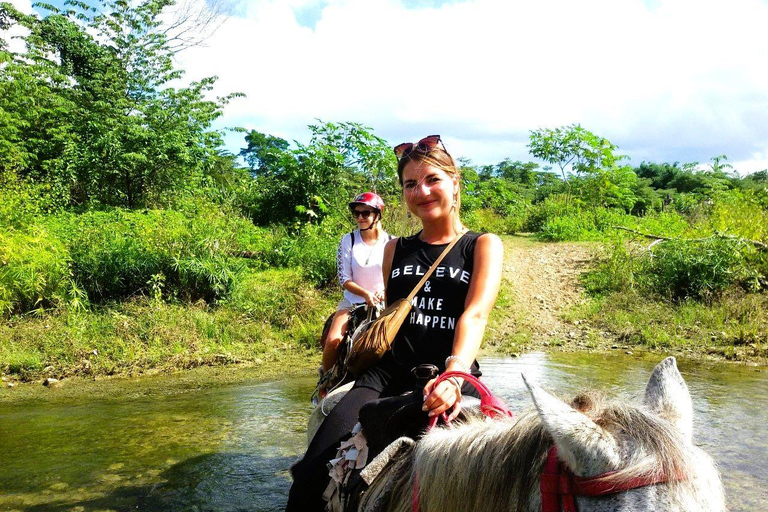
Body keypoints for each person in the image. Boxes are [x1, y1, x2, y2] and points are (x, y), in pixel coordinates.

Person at [285, 136, 503, 511]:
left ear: (454, 182)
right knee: (308, 476)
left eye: (433, 179)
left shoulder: (481, 244)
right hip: (385, 375)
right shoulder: (394, 249)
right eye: (410, 184)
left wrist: (454, 374)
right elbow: (393, 316)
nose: (422, 191)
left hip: (448, 373)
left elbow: (475, 314)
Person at [320, 192, 390, 375]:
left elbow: (394, 275)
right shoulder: (348, 240)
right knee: (333, 340)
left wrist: (384, 291)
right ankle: (325, 381)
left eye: (365, 213)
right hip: (352, 303)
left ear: (378, 214)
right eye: (356, 213)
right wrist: (366, 294)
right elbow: (344, 279)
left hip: (385, 302)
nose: (359, 217)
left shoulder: (392, 242)